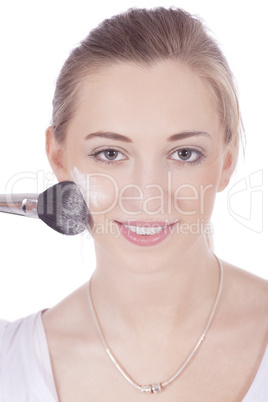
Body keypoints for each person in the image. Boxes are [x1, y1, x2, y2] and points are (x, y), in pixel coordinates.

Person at [0, 6, 267, 401]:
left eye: (184, 154)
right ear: (58, 158)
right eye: (110, 154)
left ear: (226, 162)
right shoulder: (10, 364)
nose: (148, 193)